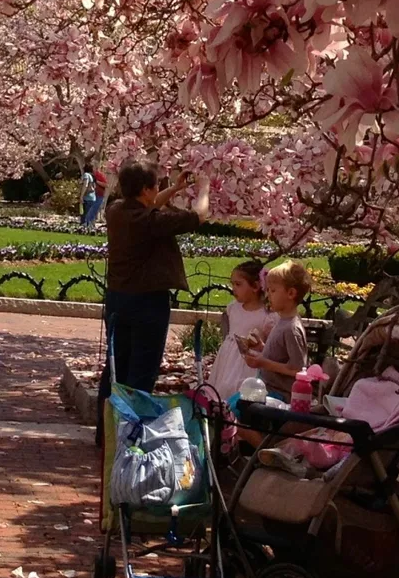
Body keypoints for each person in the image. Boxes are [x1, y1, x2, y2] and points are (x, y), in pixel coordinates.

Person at [96, 160, 211, 420]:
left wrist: (174, 189)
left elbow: (151, 204)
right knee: (142, 371)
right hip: (147, 303)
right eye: (157, 185)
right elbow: (199, 216)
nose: (158, 189)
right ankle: (132, 428)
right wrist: (204, 188)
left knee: (115, 367)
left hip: (118, 300)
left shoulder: (116, 210)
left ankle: (107, 431)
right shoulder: (151, 222)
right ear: (146, 189)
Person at [244, 260, 311, 399]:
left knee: (236, 406)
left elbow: (297, 369)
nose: (268, 295)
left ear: (291, 293)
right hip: (267, 388)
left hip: (279, 396)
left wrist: (263, 363)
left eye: (273, 290)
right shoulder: (282, 321)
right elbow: (281, 356)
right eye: (268, 290)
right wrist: (261, 347)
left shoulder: (292, 328)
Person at [208, 259, 274, 400]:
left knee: (240, 389)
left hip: (249, 362)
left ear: (255, 286)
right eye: (232, 284)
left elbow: (270, 345)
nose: (233, 289)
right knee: (223, 386)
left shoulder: (266, 315)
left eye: (238, 284)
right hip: (228, 358)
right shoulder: (233, 308)